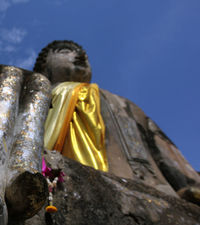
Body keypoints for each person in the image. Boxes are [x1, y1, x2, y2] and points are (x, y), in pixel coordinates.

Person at [34, 40, 200, 198]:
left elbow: (164, 150)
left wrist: (189, 184)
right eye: (66, 52)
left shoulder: (125, 105)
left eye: (83, 54)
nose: (80, 57)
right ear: (44, 67)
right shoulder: (36, 98)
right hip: (65, 184)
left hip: (152, 189)